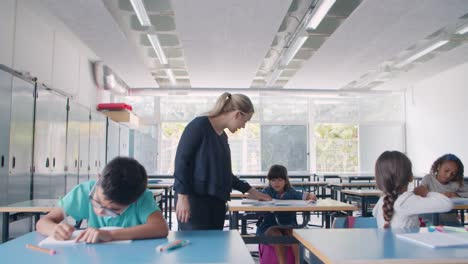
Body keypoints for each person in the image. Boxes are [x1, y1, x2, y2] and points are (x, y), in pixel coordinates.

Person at [174, 92, 271, 230]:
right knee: (195, 247)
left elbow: (225, 173)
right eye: (245, 121)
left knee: (215, 247)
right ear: (237, 114)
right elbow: (182, 163)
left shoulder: (222, 136)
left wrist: (252, 192)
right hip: (194, 201)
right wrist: (182, 198)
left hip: (216, 202)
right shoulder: (199, 126)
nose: (243, 126)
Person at [36, 157, 169, 243]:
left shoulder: (142, 198)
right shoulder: (84, 191)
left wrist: (110, 234)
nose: (99, 211)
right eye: (97, 201)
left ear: (133, 202)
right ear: (99, 178)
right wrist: (54, 229)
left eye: (113, 210)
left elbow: (161, 228)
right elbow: (43, 222)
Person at [372, 151, 453, 228]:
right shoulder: (406, 200)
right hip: (406, 242)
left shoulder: (383, 200)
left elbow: (374, 213)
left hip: (388, 242)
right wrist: (427, 193)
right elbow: (447, 204)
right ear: (411, 176)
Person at [256, 165, 317, 264]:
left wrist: (311, 196)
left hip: (288, 225)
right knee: (277, 235)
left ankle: (298, 262)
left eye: (280, 180)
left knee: (294, 234)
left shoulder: (291, 192)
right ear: (269, 181)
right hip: (269, 226)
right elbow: (253, 198)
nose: (276, 183)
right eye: (273, 180)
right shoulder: (267, 192)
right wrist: (259, 198)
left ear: (285, 181)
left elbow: (305, 196)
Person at [420, 153, 468, 225]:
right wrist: (438, 196)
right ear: (439, 167)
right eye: (446, 171)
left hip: (450, 221)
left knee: (462, 234)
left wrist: (457, 194)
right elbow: (420, 197)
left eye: (453, 174)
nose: (448, 175)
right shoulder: (428, 179)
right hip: (429, 220)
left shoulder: (454, 183)